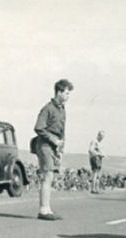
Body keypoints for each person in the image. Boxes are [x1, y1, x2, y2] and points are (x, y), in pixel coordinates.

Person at [33, 79, 74, 220]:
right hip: (44, 144)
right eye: (67, 93)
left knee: (50, 176)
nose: (68, 96)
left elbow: (62, 132)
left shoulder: (62, 109)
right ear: (59, 92)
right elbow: (39, 127)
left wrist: (61, 150)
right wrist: (53, 140)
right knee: (47, 175)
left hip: (54, 146)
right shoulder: (48, 108)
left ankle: (47, 209)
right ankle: (43, 210)